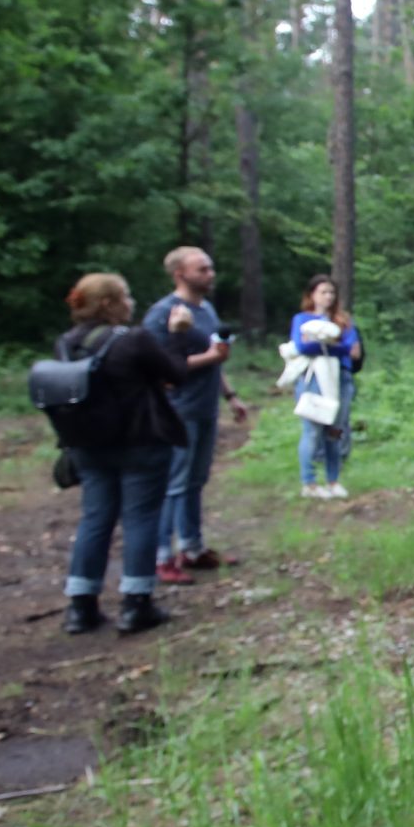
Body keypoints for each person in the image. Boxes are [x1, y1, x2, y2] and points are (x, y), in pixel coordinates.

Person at [53, 273, 204, 635]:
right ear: (107, 304)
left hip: (89, 446)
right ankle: (136, 603)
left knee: (95, 519)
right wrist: (177, 335)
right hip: (141, 443)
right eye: (125, 296)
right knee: (140, 518)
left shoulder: (66, 343)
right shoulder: (132, 339)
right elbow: (175, 374)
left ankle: (81, 606)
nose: (131, 303)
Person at [142, 246, 248, 585]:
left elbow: (217, 355)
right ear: (180, 274)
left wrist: (230, 395)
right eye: (202, 269)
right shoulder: (163, 314)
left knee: (195, 481)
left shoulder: (207, 310)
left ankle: (192, 547)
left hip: (205, 408)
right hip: (178, 410)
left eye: (210, 268)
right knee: (173, 483)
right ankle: (161, 556)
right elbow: (158, 370)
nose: (210, 274)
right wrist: (210, 358)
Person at [289, 274, 365, 499]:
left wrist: (326, 345)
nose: (328, 297)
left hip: (340, 377)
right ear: (312, 294)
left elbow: (353, 350)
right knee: (312, 431)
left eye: (331, 292)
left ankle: (333, 480)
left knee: (336, 430)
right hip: (313, 378)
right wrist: (333, 346)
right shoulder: (301, 319)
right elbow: (301, 346)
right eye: (323, 292)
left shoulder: (343, 320)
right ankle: (309, 482)